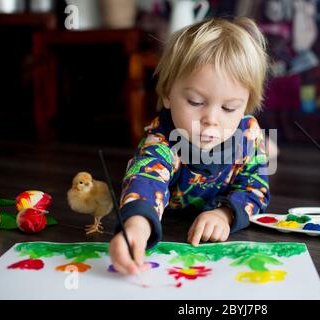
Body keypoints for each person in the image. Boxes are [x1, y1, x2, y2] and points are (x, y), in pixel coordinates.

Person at [109, 17, 271, 275]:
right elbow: (145, 178)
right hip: (171, 228)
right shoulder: (162, 141)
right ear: (167, 95)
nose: (212, 119)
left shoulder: (247, 134)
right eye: (195, 102)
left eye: (230, 108)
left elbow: (255, 187)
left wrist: (224, 214)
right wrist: (136, 226)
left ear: (246, 106)